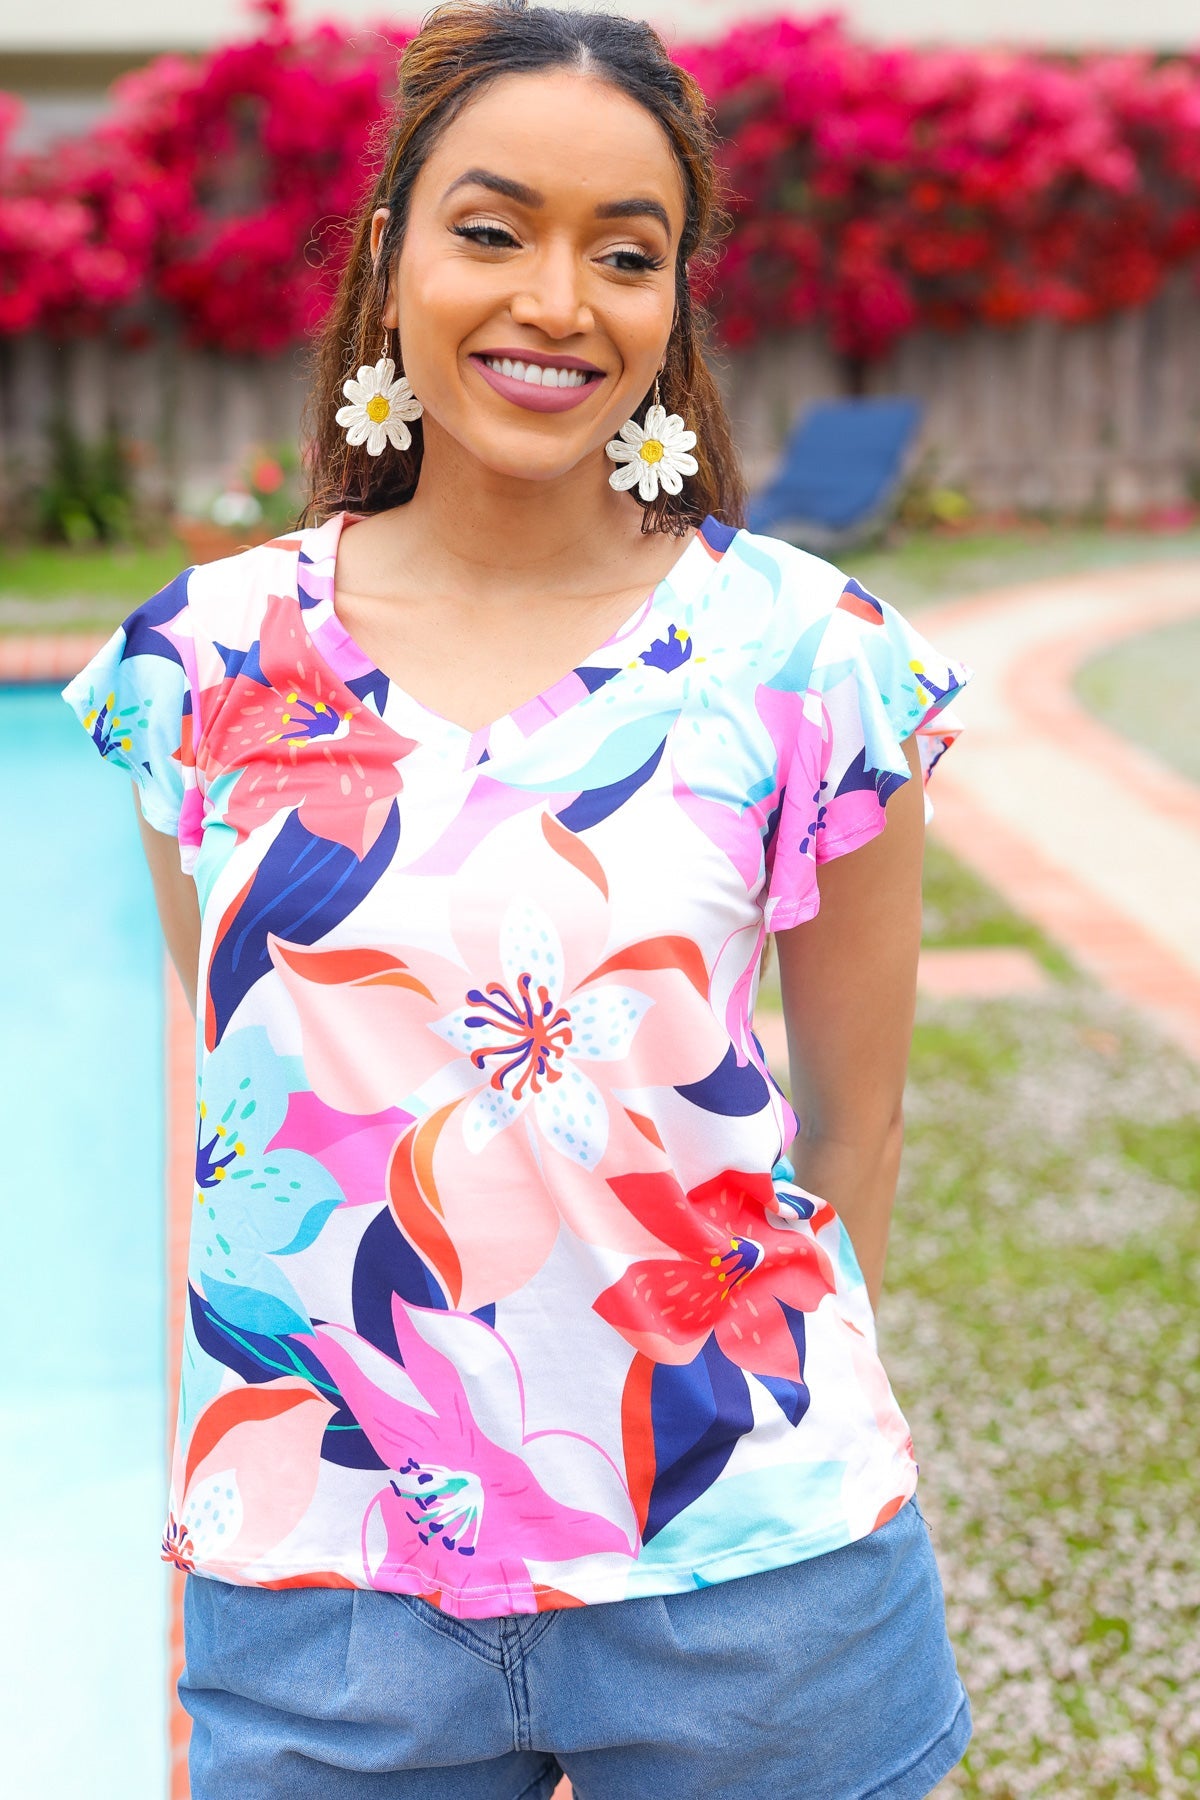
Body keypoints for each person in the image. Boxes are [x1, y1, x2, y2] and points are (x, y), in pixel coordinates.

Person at [64, 4, 973, 1795]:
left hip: (754, 1596)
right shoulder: (207, 666)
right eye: (494, 230)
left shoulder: (811, 659)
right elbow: (240, 1120)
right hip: (323, 1591)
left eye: (623, 254)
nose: (558, 300)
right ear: (392, 253)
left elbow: (854, 1133)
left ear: (671, 305)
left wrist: (723, 1442)